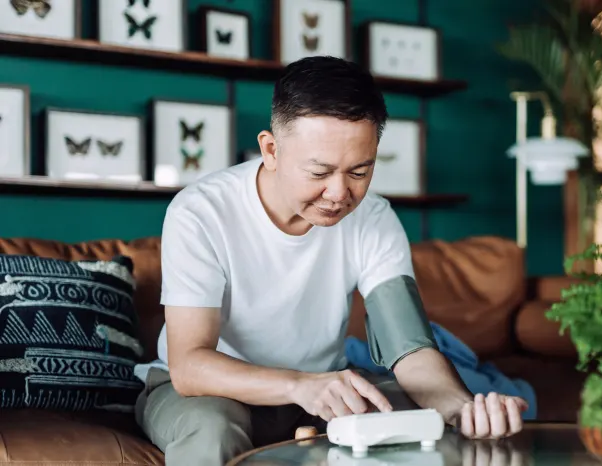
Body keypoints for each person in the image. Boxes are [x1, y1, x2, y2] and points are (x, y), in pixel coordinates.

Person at [133, 55, 528, 466]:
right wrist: (299, 385)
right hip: (206, 393)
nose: (340, 194)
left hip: (320, 393)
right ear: (271, 149)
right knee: (212, 431)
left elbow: (410, 350)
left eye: (359, 172)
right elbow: (189, 365)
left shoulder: (374, 219)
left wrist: (461, 409)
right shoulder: (201, 211)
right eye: (319, 172)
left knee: (421, 421)